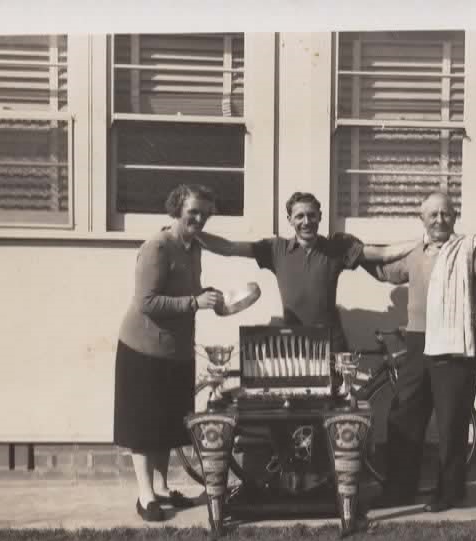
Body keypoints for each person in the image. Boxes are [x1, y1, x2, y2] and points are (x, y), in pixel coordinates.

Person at [364, 192, 476, 512]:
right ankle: (399, 490)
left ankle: (450, 493)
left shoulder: (469, 249)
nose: (439, 220)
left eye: (445, 214)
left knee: (451, 422)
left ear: (454, 217)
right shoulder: (414, 251)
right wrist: (354, 255)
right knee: (404, 417)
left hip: (454, 344)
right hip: (418, 341)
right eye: (432, 215)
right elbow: (385, 272)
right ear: (421, 219)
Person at [113, 184, 224, 522]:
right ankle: (145, 496)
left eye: (205, 212)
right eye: (194, 211)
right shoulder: (157, 247)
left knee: (166, 424)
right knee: (145, 425)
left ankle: (161, 489)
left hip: (176, 349)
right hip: (144, 348)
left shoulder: (192, 248)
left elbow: (184, 291)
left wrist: (206, 294)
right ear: (176, 209)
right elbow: (146, 302)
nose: (200, 217)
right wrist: (194, 302)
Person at [196, 191, 417, 352]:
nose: (306, 221)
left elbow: (384, 254)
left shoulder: (336, 248)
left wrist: (425, 240)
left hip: (332, 343)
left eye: (311, 215)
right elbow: (229, 248)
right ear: (290, 220)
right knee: (298, 408)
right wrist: (191, 234)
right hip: (293, 342)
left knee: (334, 410)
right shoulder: (276, 249)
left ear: (320, 217)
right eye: (300, 216)